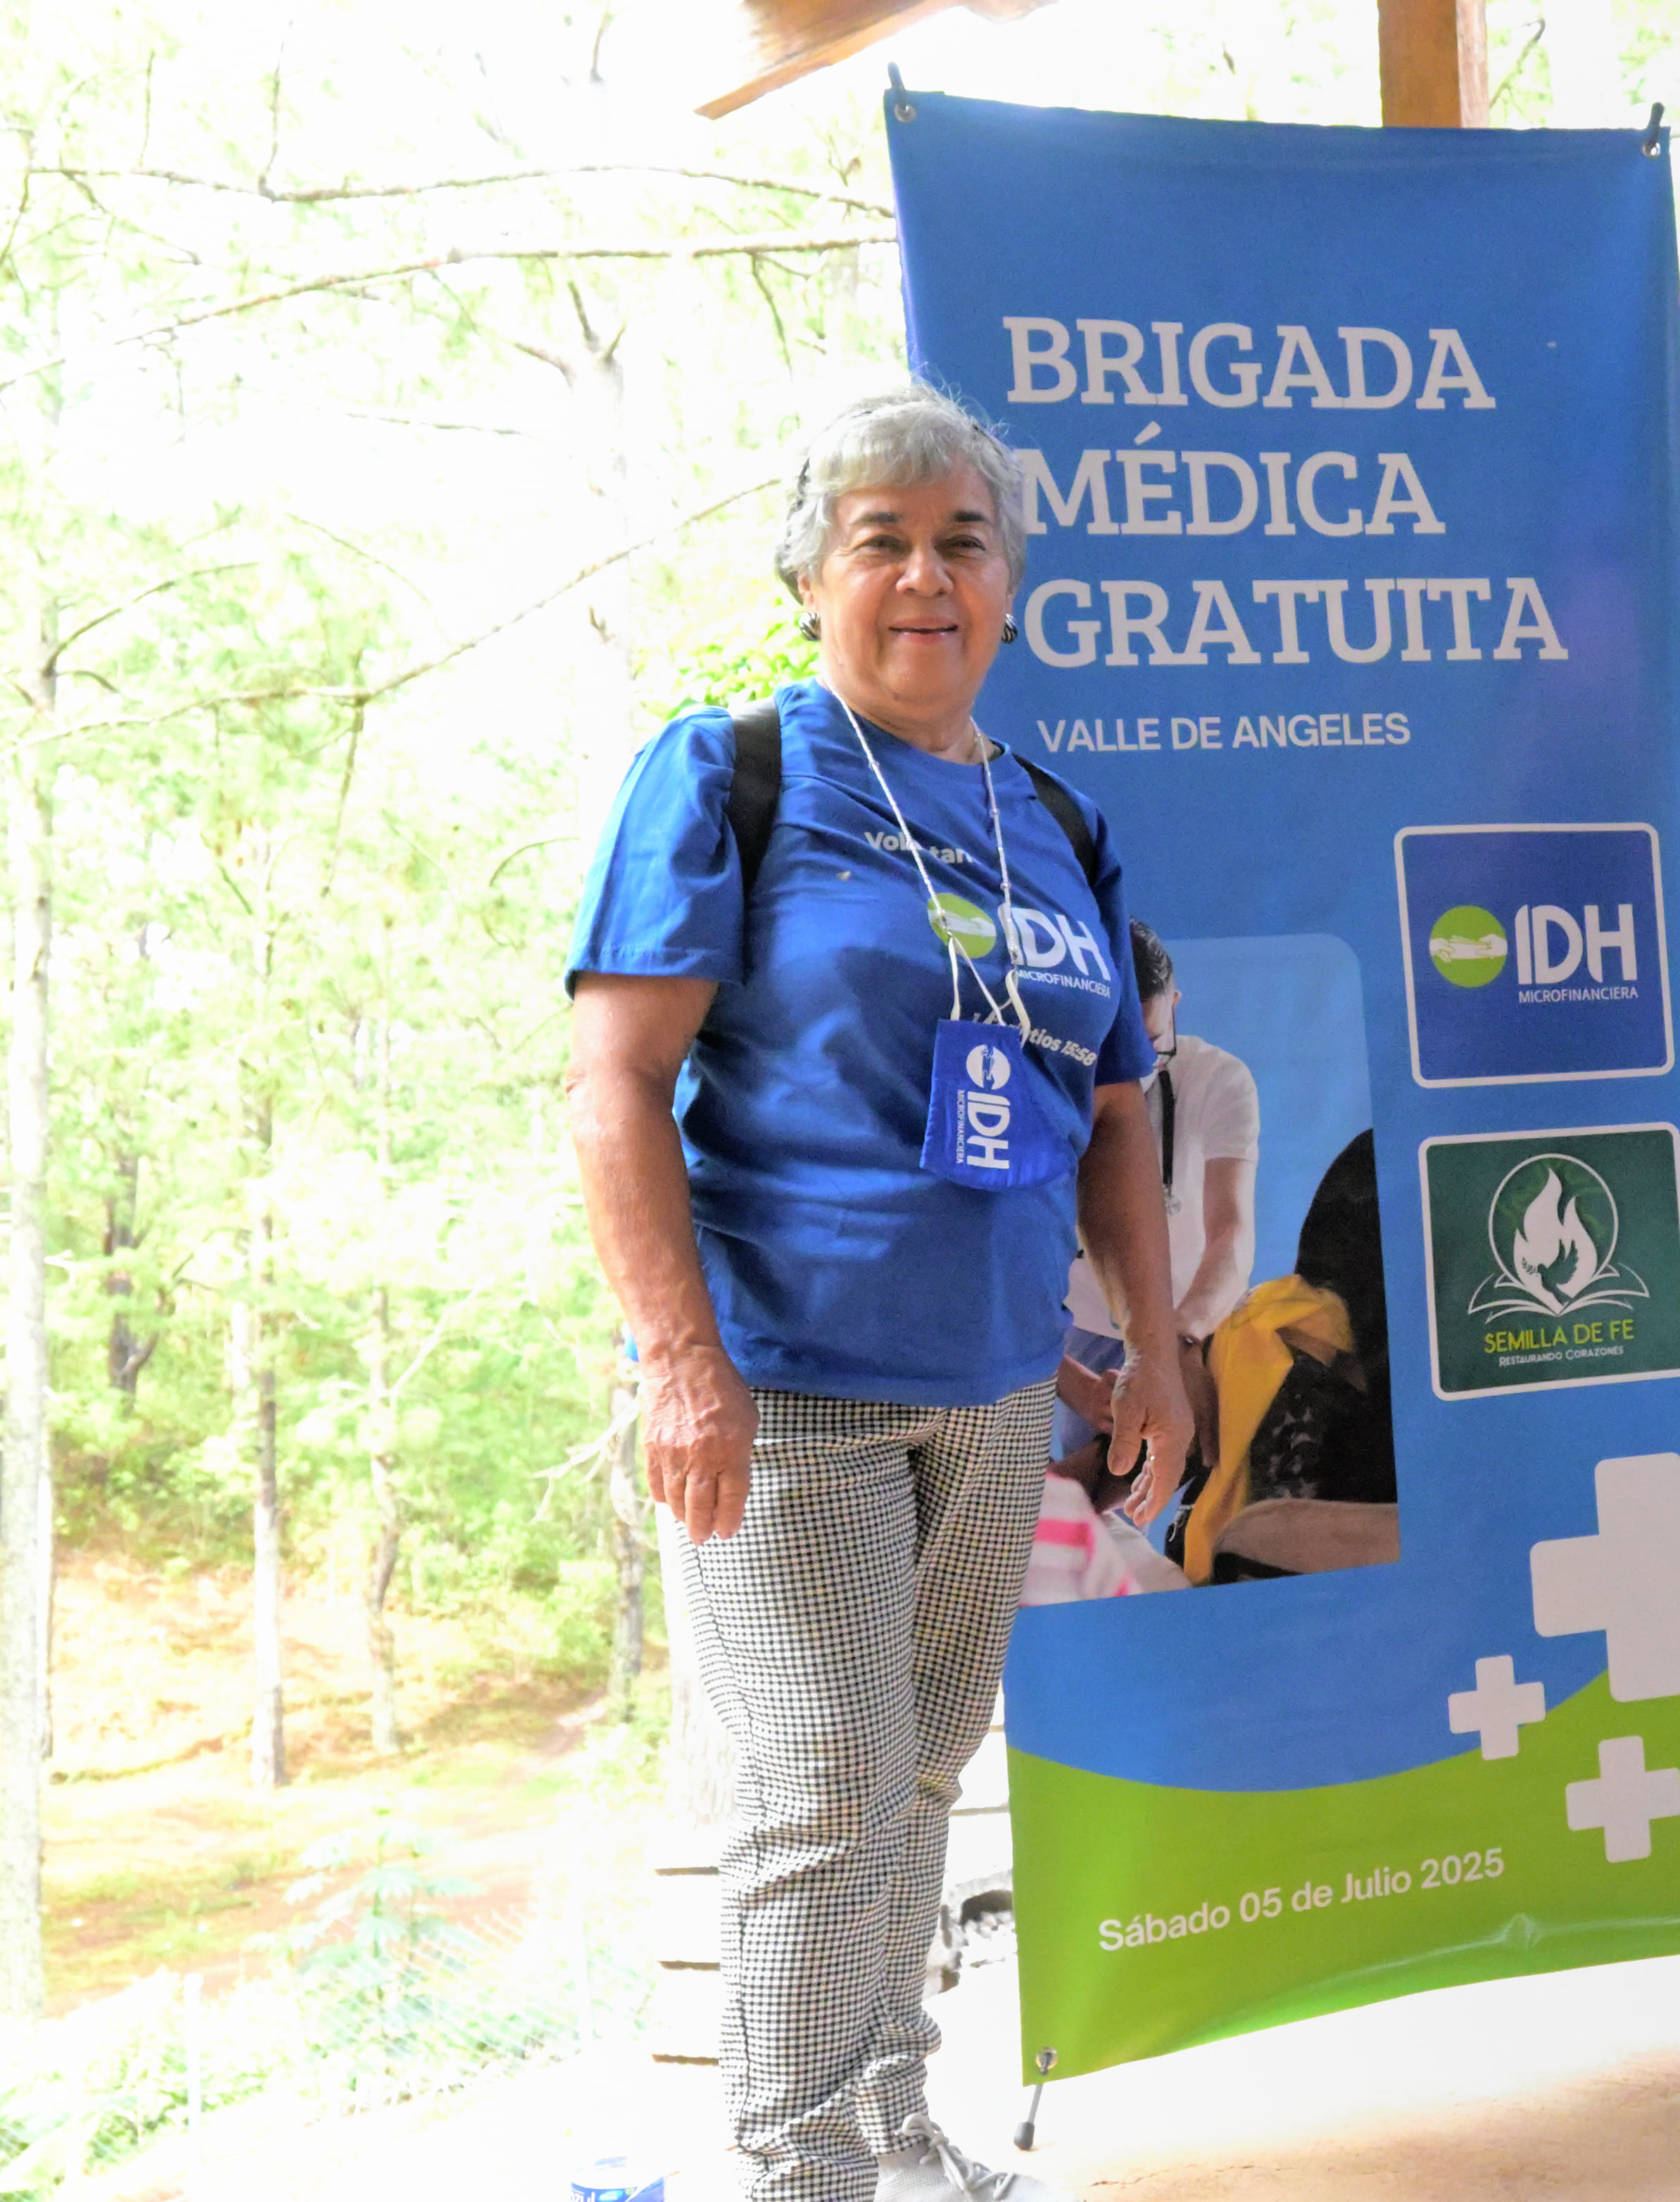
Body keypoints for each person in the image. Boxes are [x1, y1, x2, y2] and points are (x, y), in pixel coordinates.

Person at [564, 384, 1189, 2202]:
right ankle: (796, 2168)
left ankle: (888, 2125)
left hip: (990, 1387)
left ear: (1010, 586)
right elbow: (614, 1084)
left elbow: (1113, 1112)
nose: (926, 575)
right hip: (784, 1385)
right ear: (809, 578)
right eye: (882, 542)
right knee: (823, 1779)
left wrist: (1150, 1349)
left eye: (961, 543)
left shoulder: (1054, 818)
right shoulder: (731, 774)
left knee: (919, 1771)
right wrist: (680, 1365)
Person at [1050, 921, 1258, 1502]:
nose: (1137, 1064)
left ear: (1176, 1004)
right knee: (1090, 1500)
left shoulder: (1217, 1078)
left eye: (1153, 1043)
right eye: (1116, 1046)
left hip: (1188, 1320)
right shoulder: (1042, 1077)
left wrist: (1178, 1343)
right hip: (1072, 1335)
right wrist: (1071, 1381)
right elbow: (988, 1271)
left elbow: (1232, 1233)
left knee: (1192, 1485)